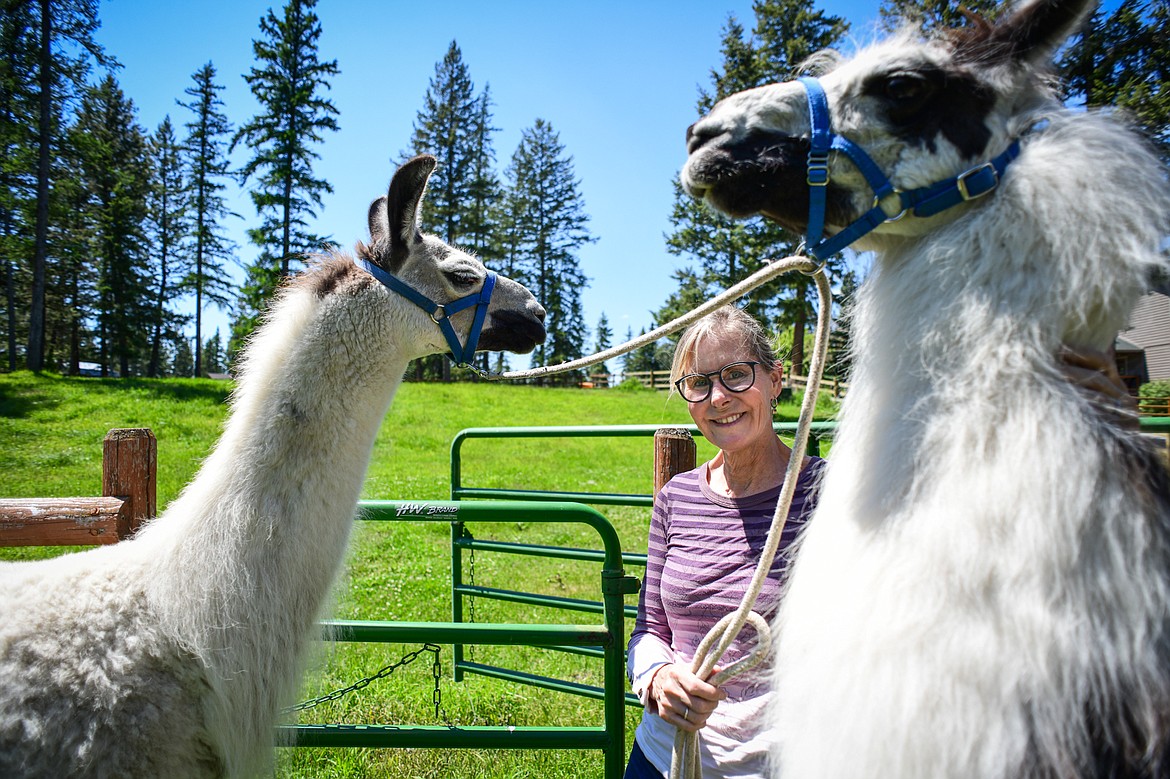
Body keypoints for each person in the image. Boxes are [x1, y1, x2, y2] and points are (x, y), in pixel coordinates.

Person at [623, 305, 1138, 779]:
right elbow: (649, 629)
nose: (718, 398)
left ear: (775, 379)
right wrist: (660, 678)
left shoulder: (838, 494)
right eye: (698, 384)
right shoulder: (677, 498)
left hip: (789, 757)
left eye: (736, 374)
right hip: (667, 755)